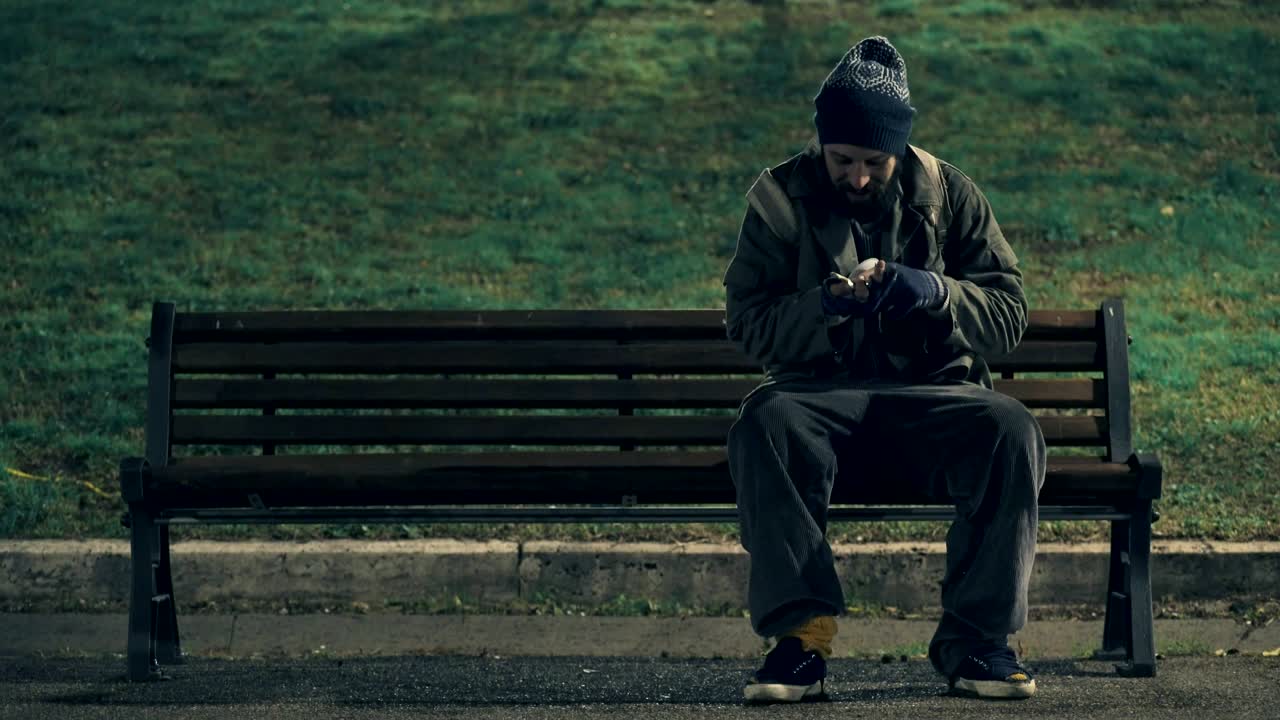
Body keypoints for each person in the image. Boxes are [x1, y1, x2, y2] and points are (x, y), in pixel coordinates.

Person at [722, 36, 1045, 703]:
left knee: (1010, 427)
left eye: (876, 160)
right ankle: (800, 643)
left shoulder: (951, 194)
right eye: (842, 159)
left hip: (933, 396)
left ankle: (979, 643)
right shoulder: (780, 200)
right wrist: (826, 306)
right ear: (821, 145)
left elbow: (1009, 312)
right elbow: (749, 325)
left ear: (899, 150)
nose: (859, 177)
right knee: (766, 418)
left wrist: (930, 292)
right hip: (818, 400)